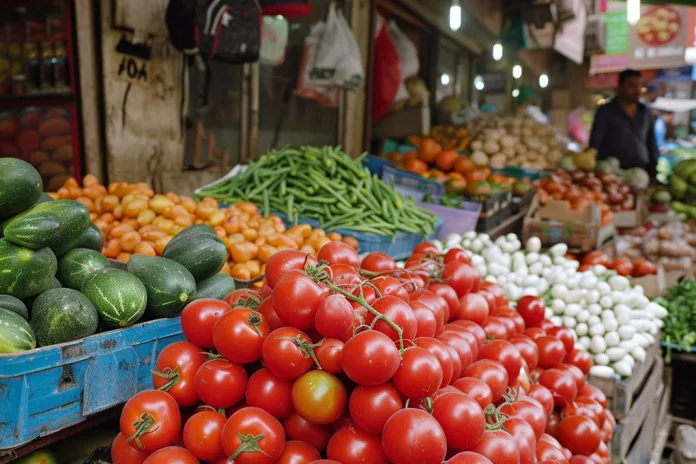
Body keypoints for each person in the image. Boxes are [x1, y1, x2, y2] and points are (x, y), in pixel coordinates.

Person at [589, 69, 659, 176]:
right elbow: (594, 144)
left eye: (640, 85)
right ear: (620, 87)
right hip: (612, 174)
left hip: (642, 173)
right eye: (632, 85)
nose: (637, 90)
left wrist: (654, 170)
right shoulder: (605, 111)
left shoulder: (645, 112)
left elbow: (651, 142)